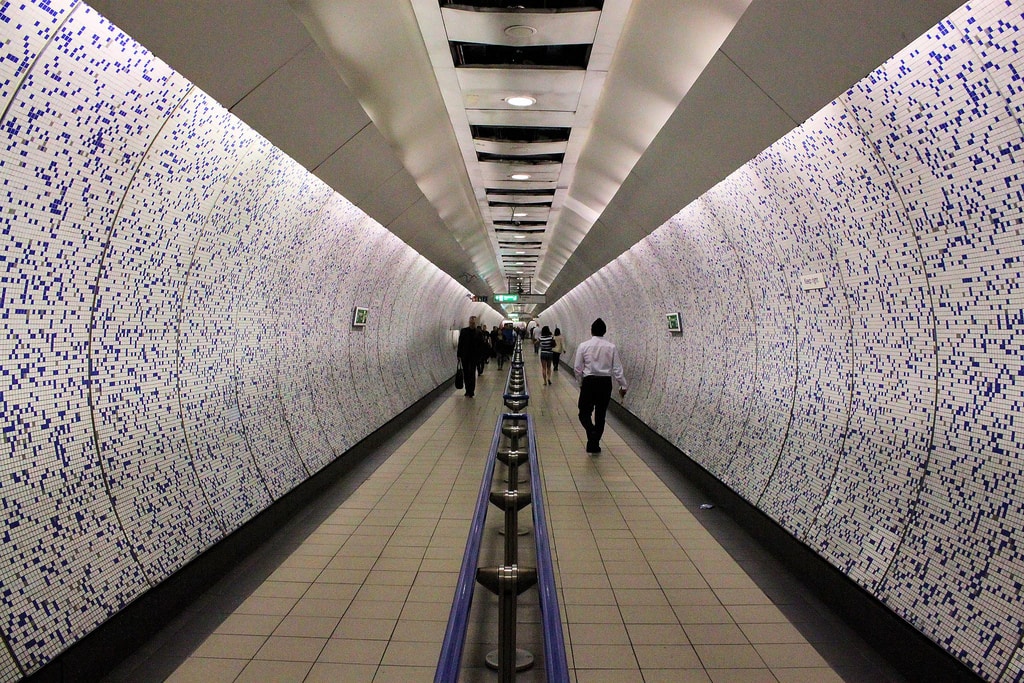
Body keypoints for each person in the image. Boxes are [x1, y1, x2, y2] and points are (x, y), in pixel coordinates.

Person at [573, 318, 627, 453]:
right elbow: (617, 369)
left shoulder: (583, 346)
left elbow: (577, 368)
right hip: (605, 383)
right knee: (600, 414)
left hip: (589, 382)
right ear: (604, 331)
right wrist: (623, 385)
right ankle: (594, 442)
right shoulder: (611, 347)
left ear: (591, 331)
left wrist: (580, 383)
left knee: (583, 413)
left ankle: (591, 434)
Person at [457, 315, 480, 397]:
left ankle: (472, 391)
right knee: (466, 373)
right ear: (469, 322)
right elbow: (460, 343)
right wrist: (459, 355)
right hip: (465, 356)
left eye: (473, 323)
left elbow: (480, 345)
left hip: (474, 356)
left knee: (472, 373)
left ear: (475, 323)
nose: (472, 324)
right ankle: (467, 390)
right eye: (471, 322)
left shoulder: (478, 332)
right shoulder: (463, 331)